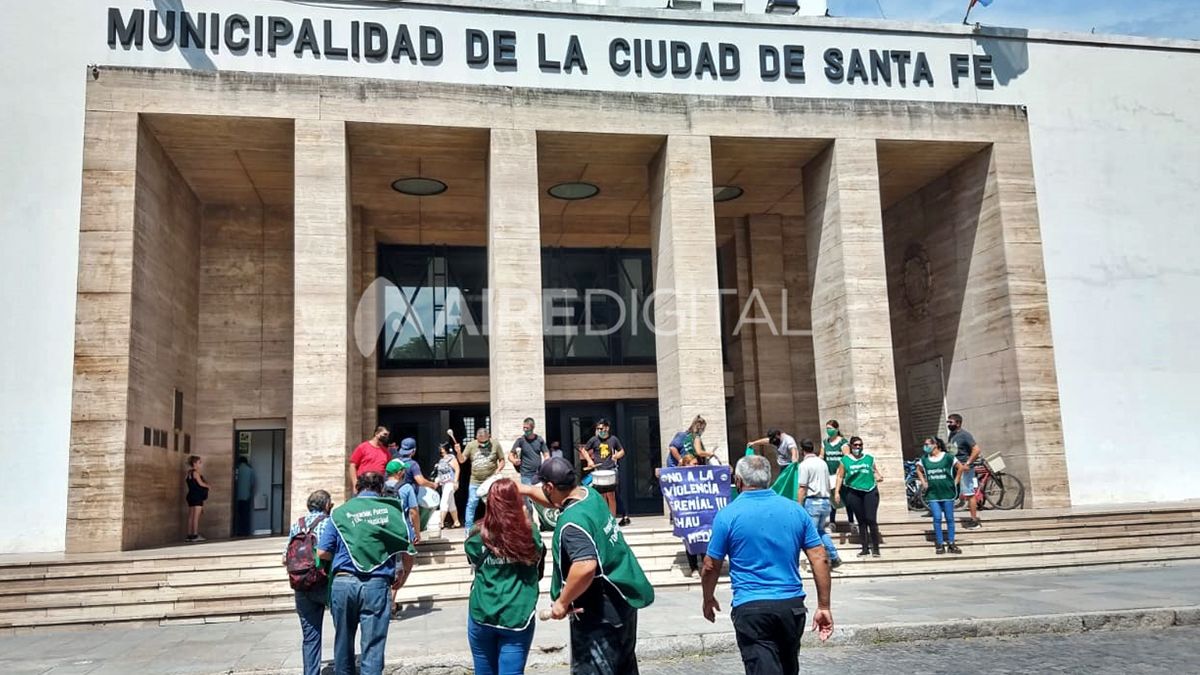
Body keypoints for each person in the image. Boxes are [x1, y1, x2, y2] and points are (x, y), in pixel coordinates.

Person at [520, 457, 655, 675]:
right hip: (623, 600)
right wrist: (524, 489)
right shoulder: (589, 495)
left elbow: (585, 565)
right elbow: (553, 501)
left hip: (598, 612)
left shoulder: (573, 523)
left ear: (549, 486)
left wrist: (562, 602)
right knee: (624, 666)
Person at [701, 454, 834, 675]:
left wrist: (707, 598)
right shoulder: (795, 510)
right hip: (791, 606)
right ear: (769, 479)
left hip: (752, 607)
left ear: (739, 481)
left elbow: (710, 565)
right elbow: (820, 557)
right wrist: (824, 606)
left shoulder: (728, 515)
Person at [317, 472, 415, 675]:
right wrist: (403, 576)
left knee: (343, 643)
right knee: (373, 646)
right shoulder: (393, 510)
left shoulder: (340, 513)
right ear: (381, 489)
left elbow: (323, 552)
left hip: (343, 584)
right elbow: (408, 547)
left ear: (357, 488)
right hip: (376, 585)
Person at [465, 478, 546, 675]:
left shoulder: (475, 539)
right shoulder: (530, 535)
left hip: (481, 613)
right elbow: (539, 568)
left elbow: (474, 562)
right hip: (517, 615)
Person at [284, 489, 333, 675]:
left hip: (302, 584)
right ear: (327, 505)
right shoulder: (329, 523)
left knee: (310, 637)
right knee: (342, 628)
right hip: (325, 583)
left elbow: (285, 557)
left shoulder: (298, 524)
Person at [833, 437, 884, 558]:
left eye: (860, 445)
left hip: (870, 491)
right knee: (861, 521)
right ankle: (865, 548)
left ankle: (875, 548)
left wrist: (879, 476)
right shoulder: (845, 460)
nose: (858, 447)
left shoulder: (869, 458)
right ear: (851, 446)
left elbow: (874, 471)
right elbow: (840, 476)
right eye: (855, 445)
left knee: (871, 519)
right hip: (853, 492)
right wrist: (837, 492)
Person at [796, 439, 842, 569]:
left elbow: (802, 487)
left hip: (813, 501)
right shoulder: (823, 463)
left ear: (802, 450)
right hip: (825, 501)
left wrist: (799, 505)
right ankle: (833, 555)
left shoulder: (804, 465)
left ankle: (817, 560)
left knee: (811, 533)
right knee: (820, 531)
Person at [917, 437, 963, 555]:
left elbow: (960, 467)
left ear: (935, 445)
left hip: (947, 492)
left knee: (949, 518)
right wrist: (923, 482)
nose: (925, 446)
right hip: (933, 493)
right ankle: (940, 543)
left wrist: (956, 481)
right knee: (937, 518)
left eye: (927, 444)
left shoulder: (947, 457)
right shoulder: (925, 459)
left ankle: (951, 543)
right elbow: (918, 470)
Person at [455, 427, 505, 532]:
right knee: (472, 503)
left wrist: (499, 469)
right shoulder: (471, 445)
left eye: (486, 442)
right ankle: (468, 529)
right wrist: (458, 452)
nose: (483, 444)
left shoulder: (495, 444)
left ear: (489, 437)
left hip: (490, 480)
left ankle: (496, 527)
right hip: (475, 481)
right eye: (481, 442)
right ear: (476, 438)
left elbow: (502, 460)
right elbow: (462, 460)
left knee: (494, 504)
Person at [581, 418, 627, 522]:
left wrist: (616, 456)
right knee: (601, 496)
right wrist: (589, 460)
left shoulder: (613, 439)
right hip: (598, 471)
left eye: (601, 428)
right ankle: (603, 519)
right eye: (598, 428)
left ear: (607, 428)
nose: (599, 430)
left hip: (610, 470)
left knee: (611, 495)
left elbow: (622, 451)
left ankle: (612, 519)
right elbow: (584, 450)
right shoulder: (594, 439)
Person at [947, 413, 984, 530]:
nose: (948, 424)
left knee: (969, 493)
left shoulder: (964, 435)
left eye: (951, 422)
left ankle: (975, 520)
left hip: (965, 468)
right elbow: (952, 451)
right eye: (948, 422)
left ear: (958, 423)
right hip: (955, 467)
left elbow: (976, 449)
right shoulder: (952, 435)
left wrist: (967, 463)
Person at [821, 420, 850, 531]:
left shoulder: (843, 443)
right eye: (827, 428)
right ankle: (832, 522)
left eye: (831, 428)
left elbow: (846, 457)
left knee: (846, 499)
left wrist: (840, 469)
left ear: (837, 429)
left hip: (841, 475)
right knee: (832, 499)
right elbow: (822, 455)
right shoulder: (825, 442)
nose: (829, 430)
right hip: (830, 475)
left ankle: (851, 522)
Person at [510, 417, 550, 488]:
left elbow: (546, 455)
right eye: (524, 428)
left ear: (533, 427)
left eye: (527, 428)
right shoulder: (520, 441)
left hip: (538, 474)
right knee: (528, 497)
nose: (525, 430)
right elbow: (510, 455)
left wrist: (546, 464)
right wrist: (514, 461)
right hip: (526, 474)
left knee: (538, 495)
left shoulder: (539, 440)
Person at [435, 441, 462, 529]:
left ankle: (441, 522)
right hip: (444, 483)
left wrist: (455, 481)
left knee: (444, 501)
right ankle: (456, 521)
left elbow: (457, 469)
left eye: (442, 448)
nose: (441, 449)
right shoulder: (441, 460)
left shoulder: (451, 458)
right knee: (451, 503)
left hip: (450, 482)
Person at [184, 455, 210, 543]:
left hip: (190, 495)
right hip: (197, 496)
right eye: (199, 462)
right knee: (196, 517)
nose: (201, 464)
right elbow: (200, 483)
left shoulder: (188, 473)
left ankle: (189, 535)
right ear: (194, 463)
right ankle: (195, 534)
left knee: (191, 516)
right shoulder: (196, 473)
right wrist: (208, 486)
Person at [234, 456, 255, 537]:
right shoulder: (250, 470)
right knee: (245, 515)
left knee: (237, 515)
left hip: (237, 497)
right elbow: (252, 483)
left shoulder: (236, 469)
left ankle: (238, 531)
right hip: (246, 496)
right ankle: (245, 532)